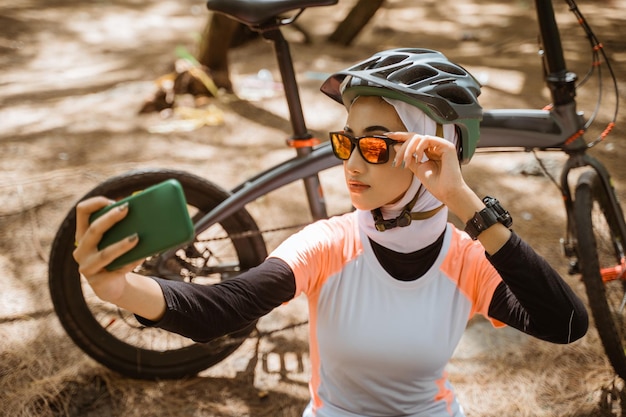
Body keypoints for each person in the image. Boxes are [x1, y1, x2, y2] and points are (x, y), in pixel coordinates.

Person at [73, 48, 588, 417]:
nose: (350, 163)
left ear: (431, 151)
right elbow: (221, 310)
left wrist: (466, 204)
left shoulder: (465, 258)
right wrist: (119, 289)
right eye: (347, 142)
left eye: (376, 145)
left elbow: (564, 323)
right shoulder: (330, 243)